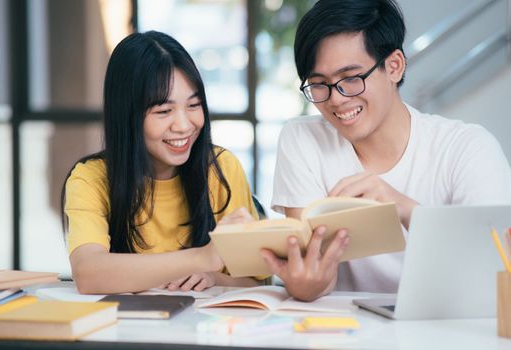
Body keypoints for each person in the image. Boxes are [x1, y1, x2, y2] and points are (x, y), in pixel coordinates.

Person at [262, 0, 511, 301]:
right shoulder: (303, 140)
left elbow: (494, 272)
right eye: (319, 84)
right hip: (346, 334)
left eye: (351, 79)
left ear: (394, 66)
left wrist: (402, 207)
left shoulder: (467, 148)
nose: (336, 100)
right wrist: (305, 283)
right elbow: (315, 281)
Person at [61, 31, 261, 294]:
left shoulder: (220, 168)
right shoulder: (91, 178)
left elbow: (258, 280)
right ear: (128, 115)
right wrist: (205, 256)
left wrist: (215, 277)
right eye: (164, 111)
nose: (183, 125)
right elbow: (88, 274)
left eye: (194, 105)